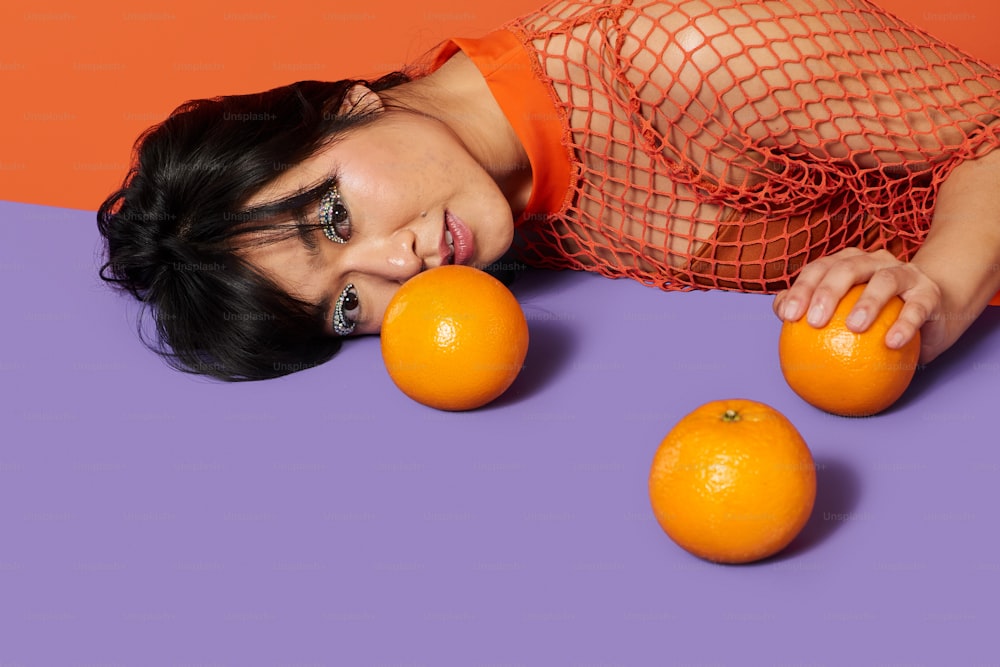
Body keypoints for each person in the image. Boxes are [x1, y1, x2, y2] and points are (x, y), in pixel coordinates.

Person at [97, 0, 1000, 381]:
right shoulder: (485, 209)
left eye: (334, 215)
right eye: (343, 306)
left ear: (345, 105)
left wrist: (942, 288)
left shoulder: (687, 53)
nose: (393, 268)